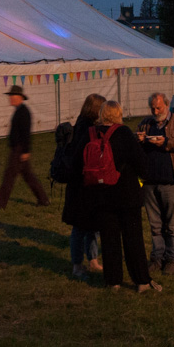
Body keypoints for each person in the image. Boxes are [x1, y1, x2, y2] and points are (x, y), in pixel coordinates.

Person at [81, 100, 157, 292]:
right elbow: (141, 163)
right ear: (118, 114)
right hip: (126, 193)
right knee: (133, 238)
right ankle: (141, 280)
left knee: (109, 239)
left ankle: (112, 280)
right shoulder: (123, 133)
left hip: (101, 194)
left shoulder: (91, 133)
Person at [135, 91, 174, 273]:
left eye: (158, 107)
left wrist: (167, 142)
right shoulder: (145, 124)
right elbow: (136, 150)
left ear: (167, 105)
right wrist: (138, 141)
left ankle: (172, 259)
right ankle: (157, 257)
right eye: (153, 108)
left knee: (172, 225)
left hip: (172, 181)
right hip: (149, 182)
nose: (155, 111)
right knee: (155, 225)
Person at [60, 93, 106, 279]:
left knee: (92, 225)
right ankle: (77, 265)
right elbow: (80, 159)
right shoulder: (85, 129)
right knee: (80, 227)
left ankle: (93, 260)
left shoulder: (84, 126)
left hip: (86, 184)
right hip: (81, 185)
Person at [0, 85, 49, 209]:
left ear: (20, 97)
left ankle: (0, 204)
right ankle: (43, 199)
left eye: (13, 96)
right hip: (18, 149)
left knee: (9, 177)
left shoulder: (23, 112)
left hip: (19, 149)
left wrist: (26, 150)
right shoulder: (19, 111)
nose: (10, 98)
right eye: (10, 96)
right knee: (29, 176)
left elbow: (25, 133)